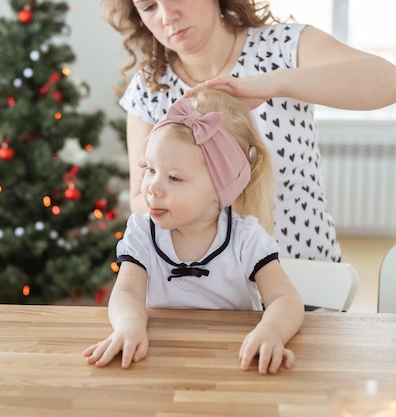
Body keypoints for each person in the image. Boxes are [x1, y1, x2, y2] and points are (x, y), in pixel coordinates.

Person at [98, 0, 396, 262]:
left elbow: (393, 83)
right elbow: (141, 197)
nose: (167, 16)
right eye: (149, 6)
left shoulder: (285, 47)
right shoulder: (149, 87)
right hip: (204, 286)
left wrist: (276, 83)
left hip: (305, 270)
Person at [83, 89, 305, 374]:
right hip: (159, 363)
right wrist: (129, 326)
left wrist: (271, 333)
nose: (152, 187)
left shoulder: (246, 237)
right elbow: (127, 291)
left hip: (232, 364)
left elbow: (285, 299)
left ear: (220, 188)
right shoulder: (141, 232)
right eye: (150, 169)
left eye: (174, 177)